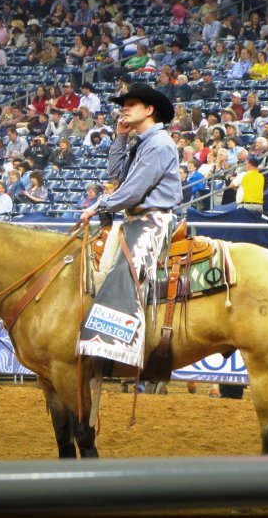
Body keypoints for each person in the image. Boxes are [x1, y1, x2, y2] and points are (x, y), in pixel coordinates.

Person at [78, 83, 182, 368]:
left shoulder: (159, 144)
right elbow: (116, 173)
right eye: (123, 105)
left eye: (131, 104)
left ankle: (114, 344)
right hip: (136, 218)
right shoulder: (143, 142)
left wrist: (99, 206)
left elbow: (133, 191)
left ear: (149, 110)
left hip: (153, 220)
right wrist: (121, 138)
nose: (124, 108)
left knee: (126, 272)